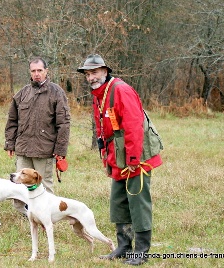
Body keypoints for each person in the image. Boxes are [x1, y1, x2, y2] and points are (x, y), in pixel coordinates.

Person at [77, 54, 163, 266]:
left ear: (105, 71)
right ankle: (124, 247)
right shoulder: (98, 94)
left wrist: (133, 158)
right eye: (87, 74)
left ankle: (141, 251)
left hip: (135, 156)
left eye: (94, 72)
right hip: (117, 155)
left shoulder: (121, 90)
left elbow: (134, 125)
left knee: (138, 202)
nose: (90, 77)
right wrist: (106, 158)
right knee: (119, 202)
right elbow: (102, 130)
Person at [4, 57, 71, 197]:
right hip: (23, 148)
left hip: (44, 149)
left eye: (40, 70)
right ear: (30, 72)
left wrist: (60, 149)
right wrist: (10, 143)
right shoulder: (22, 93)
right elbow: (12, 120)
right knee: (19, 185)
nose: (36, 74)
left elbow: (63, 123)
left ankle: (47, 216)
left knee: (44, 184)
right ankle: (25, 213)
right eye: (33, 71)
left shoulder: (57, 92)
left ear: (46, 71)